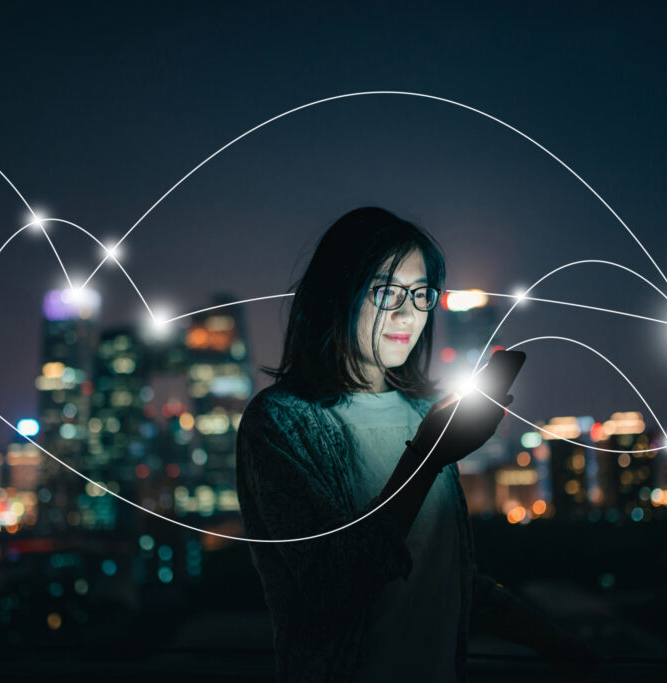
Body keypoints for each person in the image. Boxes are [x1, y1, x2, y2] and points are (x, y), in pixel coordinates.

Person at [235, 207, 595, 682]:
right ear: (336, 294)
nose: (408, 313)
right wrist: (426, 458)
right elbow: (333, 588)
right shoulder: (281, 422)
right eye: (386, 292)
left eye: (421, 293)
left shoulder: (423, 412)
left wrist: (551, 640)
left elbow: (443, 578)